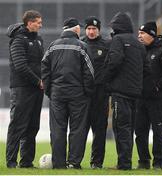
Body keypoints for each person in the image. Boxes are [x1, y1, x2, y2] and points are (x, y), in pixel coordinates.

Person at [41, 17, 94, 169]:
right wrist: (87, 92)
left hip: (57, 94)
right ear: (76, 29)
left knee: (57, 129)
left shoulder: (52, 46)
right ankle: (73, 162)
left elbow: (44, 69)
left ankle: (58, 164)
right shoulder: (82, 46)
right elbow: (89, 73)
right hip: (78, 95)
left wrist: (50, 90)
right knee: (77, 129)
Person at [104, 12, 150, 170]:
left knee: (120, 127)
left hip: (120, 92)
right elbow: (146, 69)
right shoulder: (139, 44)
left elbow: (114, 62)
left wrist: (106, 80)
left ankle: (124, 164)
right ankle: (127, 162)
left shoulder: (118, 40)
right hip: (135, 93)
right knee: (129, 128)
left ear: (117, 27)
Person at [135, 21, 162, 170]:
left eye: (142, 33)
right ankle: (143, 161)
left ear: (151, 34)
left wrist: (158, 85)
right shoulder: (140, 51)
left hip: (157, 100)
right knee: (140, 132)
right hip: (140, 99)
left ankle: (159, 163)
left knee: (158, 132)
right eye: (139, 33)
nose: (139, 36)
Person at [6, 10, 44, 168]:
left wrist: (43, 80)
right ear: (29, 22)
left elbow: (42, 63)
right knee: (18, 125)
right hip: (22, 88)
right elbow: (20, 66)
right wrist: (38, 81)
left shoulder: (39, 40)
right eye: (38, 22)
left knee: (33, 126)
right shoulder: (18, 40)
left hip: (37, 89)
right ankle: (11, 162)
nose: (40, 25)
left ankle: (26, 162)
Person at [81, 16, 110, 169]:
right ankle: (74, 161)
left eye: (94, 29)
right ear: (85, 30)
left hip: (101, 94)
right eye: (89, 29)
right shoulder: (80, 43)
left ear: (99, 30)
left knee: (99, 130)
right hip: (83, 94)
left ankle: (96, 163)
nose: (91, 31)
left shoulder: (107, 44)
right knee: (80, 129)